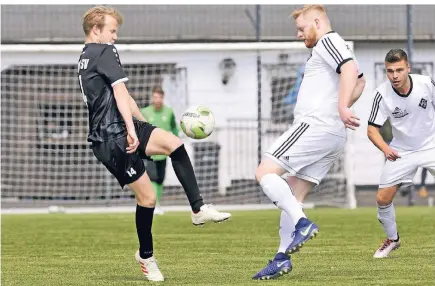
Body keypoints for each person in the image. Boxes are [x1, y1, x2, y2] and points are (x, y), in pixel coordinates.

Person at [77, 6, 231, 281]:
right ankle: (146, 257)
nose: (115, 37)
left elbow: (123, 95)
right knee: (147, 198)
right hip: (111, 138)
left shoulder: (85, 57)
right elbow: (120, 94)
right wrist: (130, 129)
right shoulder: (103, 51)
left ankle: (198, 209)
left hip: (121, 127)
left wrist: (143, 125)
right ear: (96, 30)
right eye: (112, 31)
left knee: (174, 143)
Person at [252, 5, 365, 280]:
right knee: (293, 193)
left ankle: (302, 224)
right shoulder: (332, 47)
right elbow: (360, 81)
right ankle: (281, 258)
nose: (299, 34)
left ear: (317, 22)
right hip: (332, 133)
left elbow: (350, 70)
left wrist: (339, 107)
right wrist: (342, 108)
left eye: (302, 29)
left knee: (264, 172)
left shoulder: (328, 40)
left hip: (314, 126)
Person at [367, 49, 435, 258]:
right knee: (382, 199)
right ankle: (393, 239)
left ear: (408, 68)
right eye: (390, 71)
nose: (394, 76)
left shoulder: (426, 84)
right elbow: (371, 130)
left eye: (399, 70)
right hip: (402, 150)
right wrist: (386, 149)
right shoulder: (381, 94)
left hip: (432, 145)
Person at [140, 87, 179, 215]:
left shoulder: (169, 112)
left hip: (163, 152)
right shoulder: (145, 112)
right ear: (152, 98)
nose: (157, 100)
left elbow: (174, 128)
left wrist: (176, 142)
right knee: (152, 178)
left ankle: (157, 203)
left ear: (163, 98)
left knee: (160, 179)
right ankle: (153, 204)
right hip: (149, 151)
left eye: (159, 97)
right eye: (155, 97)